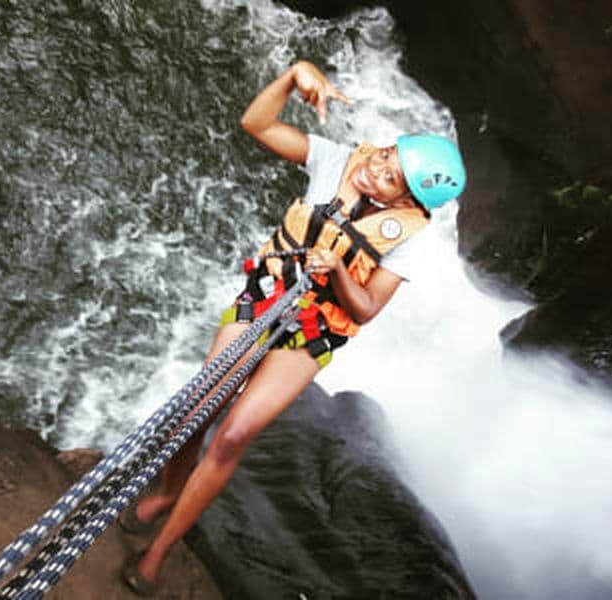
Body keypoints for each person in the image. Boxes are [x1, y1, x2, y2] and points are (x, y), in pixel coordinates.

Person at [121, 59, 466, 594]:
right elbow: (256, 124)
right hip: (265, 295)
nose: (375, 169)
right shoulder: (337, 163)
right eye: (385, 156)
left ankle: (160, 552)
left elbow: (366, 308)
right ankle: (167, 493)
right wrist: (294, 74)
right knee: (199, 407)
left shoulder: (408, 239)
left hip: (311, 334)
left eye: (391, 178)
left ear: (407, 202)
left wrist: (338, 275)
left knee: (234, 435)